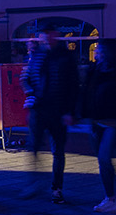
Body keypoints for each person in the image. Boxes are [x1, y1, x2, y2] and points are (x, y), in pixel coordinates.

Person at [22, 29, 79, 204]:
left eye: (50, 34)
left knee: (58, 151)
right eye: (44, 35)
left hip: (58, 110)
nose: (47, 38)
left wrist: (70, 111)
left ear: (55, 35)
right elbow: (26, 78)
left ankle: (56, 188)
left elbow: (73, 85)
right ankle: (35, 182)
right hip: (39, 109)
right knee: (33, 148)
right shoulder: (36, 55)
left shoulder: (65, 56)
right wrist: (30, 93)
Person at [82, 39, 116, 214]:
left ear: (110, 52)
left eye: (101, 50)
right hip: (95, 122)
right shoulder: (95, 70)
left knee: (105, 159)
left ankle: (110, 198)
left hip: (113, 122)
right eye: (97, 50)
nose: (98, 53)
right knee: (103, 161)